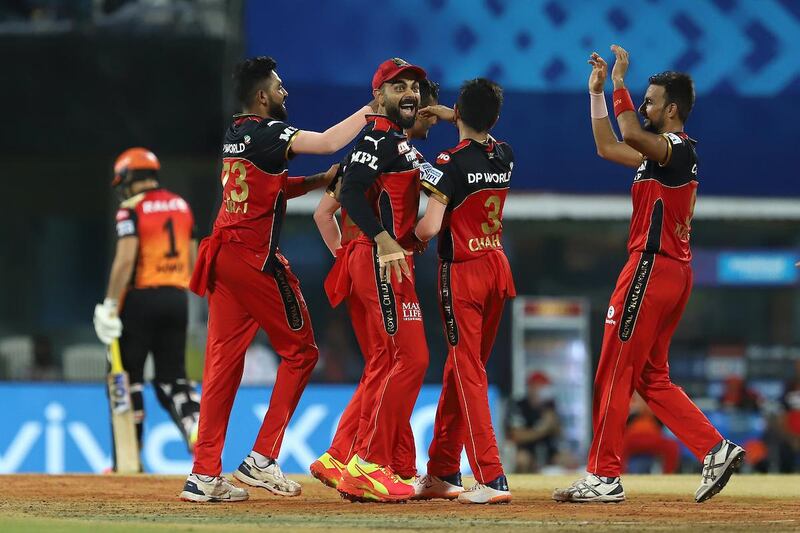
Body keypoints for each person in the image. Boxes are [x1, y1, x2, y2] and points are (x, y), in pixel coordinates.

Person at [553, 45, 744, 504]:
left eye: (652, 100)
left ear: (672, 109)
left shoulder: (675, 148)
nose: (644, 105)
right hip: (672, 271)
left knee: (614, 368)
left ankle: (603, 476)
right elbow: (606, 145)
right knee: (651, 376)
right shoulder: (662, 156)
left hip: (650, 266)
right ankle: (713, 448)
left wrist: (620, 83)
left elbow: (632, 133)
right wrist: (598, 93)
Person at [179, 56, 375, 503]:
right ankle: (262, 457)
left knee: (221, 368)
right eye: (280, 87)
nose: (286, 93)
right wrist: (373, 109)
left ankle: (204, 474)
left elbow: (269, 187)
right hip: (254, 260)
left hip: (223, 258)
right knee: (302, 353)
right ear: (263, 96)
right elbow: (327, 142)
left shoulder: (236, 134)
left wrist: (316, 182)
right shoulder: (272, 133)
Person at [309, 78, 440, 490]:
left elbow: (321, 213)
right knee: (407, 359)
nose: (420, 106)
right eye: (401, 88)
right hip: (382, 260)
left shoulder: (377, 147)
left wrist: (347, 257)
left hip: (362, 260)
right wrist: (381, 244)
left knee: (384, 364)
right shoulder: (383, 142)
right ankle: (368, 463)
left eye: (416, 91)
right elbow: (351, 197)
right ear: (380, 97)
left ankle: (345, 456)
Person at [410, 78, 515, 504]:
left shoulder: (447, 161)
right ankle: (441, 470)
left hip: (463, 275)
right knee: (461, 368)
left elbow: (432, 225)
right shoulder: (505, 154)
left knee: (468, 370)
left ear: (458, 109)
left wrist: (407, 240)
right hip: (496, 267)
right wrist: (453, 114)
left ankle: (491, 477)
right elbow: (478, 131)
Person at [93, 147, 201, 469]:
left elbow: (125, 260)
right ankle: (196, 427)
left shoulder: (130, 210)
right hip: (177, 300)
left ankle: (128, 459)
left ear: (128, 179)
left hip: (139, 299)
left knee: (128, 379)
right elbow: (194, 262)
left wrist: (110, 305)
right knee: (173, 379)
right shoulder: (182, 207)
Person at [507, 372, 561, 474]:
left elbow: (558, 433)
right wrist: (543, 429)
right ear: (531, 387)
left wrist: (553, 422)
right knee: (523, 459)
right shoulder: (518, 405)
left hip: (547, 450)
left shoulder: (549, 406)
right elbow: (517, 435)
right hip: (525, 450)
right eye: (539, 387)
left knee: (566, 459)